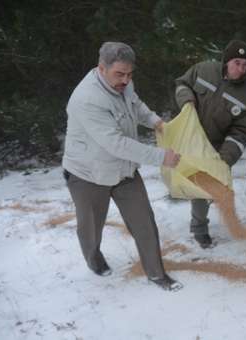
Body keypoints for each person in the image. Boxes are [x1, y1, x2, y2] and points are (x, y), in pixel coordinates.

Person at [62, 41, 182, 291]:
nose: (126, 80)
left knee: (144, 223)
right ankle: (94, 260)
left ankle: (156, 274)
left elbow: (135, 105)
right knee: (91, 227)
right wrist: (161, 157)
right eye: (120, 74)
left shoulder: (124, 83)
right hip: (88, 175)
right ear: (101, 68)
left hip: (124, 170)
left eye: (129, 74)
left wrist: (155, 121)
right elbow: (115, 143)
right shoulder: (87, 99)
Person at [174, 39, 246, 248]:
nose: (240, 69)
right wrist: (186, 100)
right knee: (179, 175)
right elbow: (182, 84)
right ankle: (175, 193)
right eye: (237, 62)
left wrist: (224, 158)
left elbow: (242, 132)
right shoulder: (204, 70)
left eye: (245, 65)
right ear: (227, 60)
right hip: (187, 137)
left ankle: (199, 229)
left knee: (203, 188)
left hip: (214, 148)